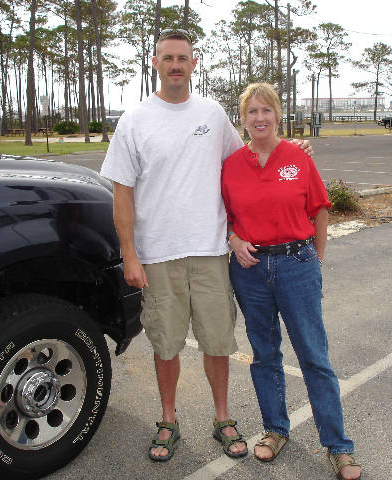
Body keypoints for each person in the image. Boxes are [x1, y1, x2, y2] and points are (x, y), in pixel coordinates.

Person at [100, 29, 312, 462]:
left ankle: (222, 417)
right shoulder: (135, 120)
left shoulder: (213, 114)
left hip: (212, 252)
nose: (176, 65)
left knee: (217, 342)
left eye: (183, 58)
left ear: (194, 64)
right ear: (155, 63)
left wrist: (292, 151)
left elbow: (248, 159)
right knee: (166, 344)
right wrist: (129, 254)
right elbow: (122, 193)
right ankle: (168, 419)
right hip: (158, 256)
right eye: (167, 58)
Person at [221, 83, 362, 480]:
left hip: (296, 264)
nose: (260, 118)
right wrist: (233, 238)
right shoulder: (231, 165)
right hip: (250, 271)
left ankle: (338, 446)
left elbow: (319, 210)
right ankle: (275, 430)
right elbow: (224, 216)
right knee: (264, 355)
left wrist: (315, 260)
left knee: (314, 357)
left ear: (278, 115)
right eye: (252, 112)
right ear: (243, 118)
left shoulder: (297, 157)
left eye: (266, 110)